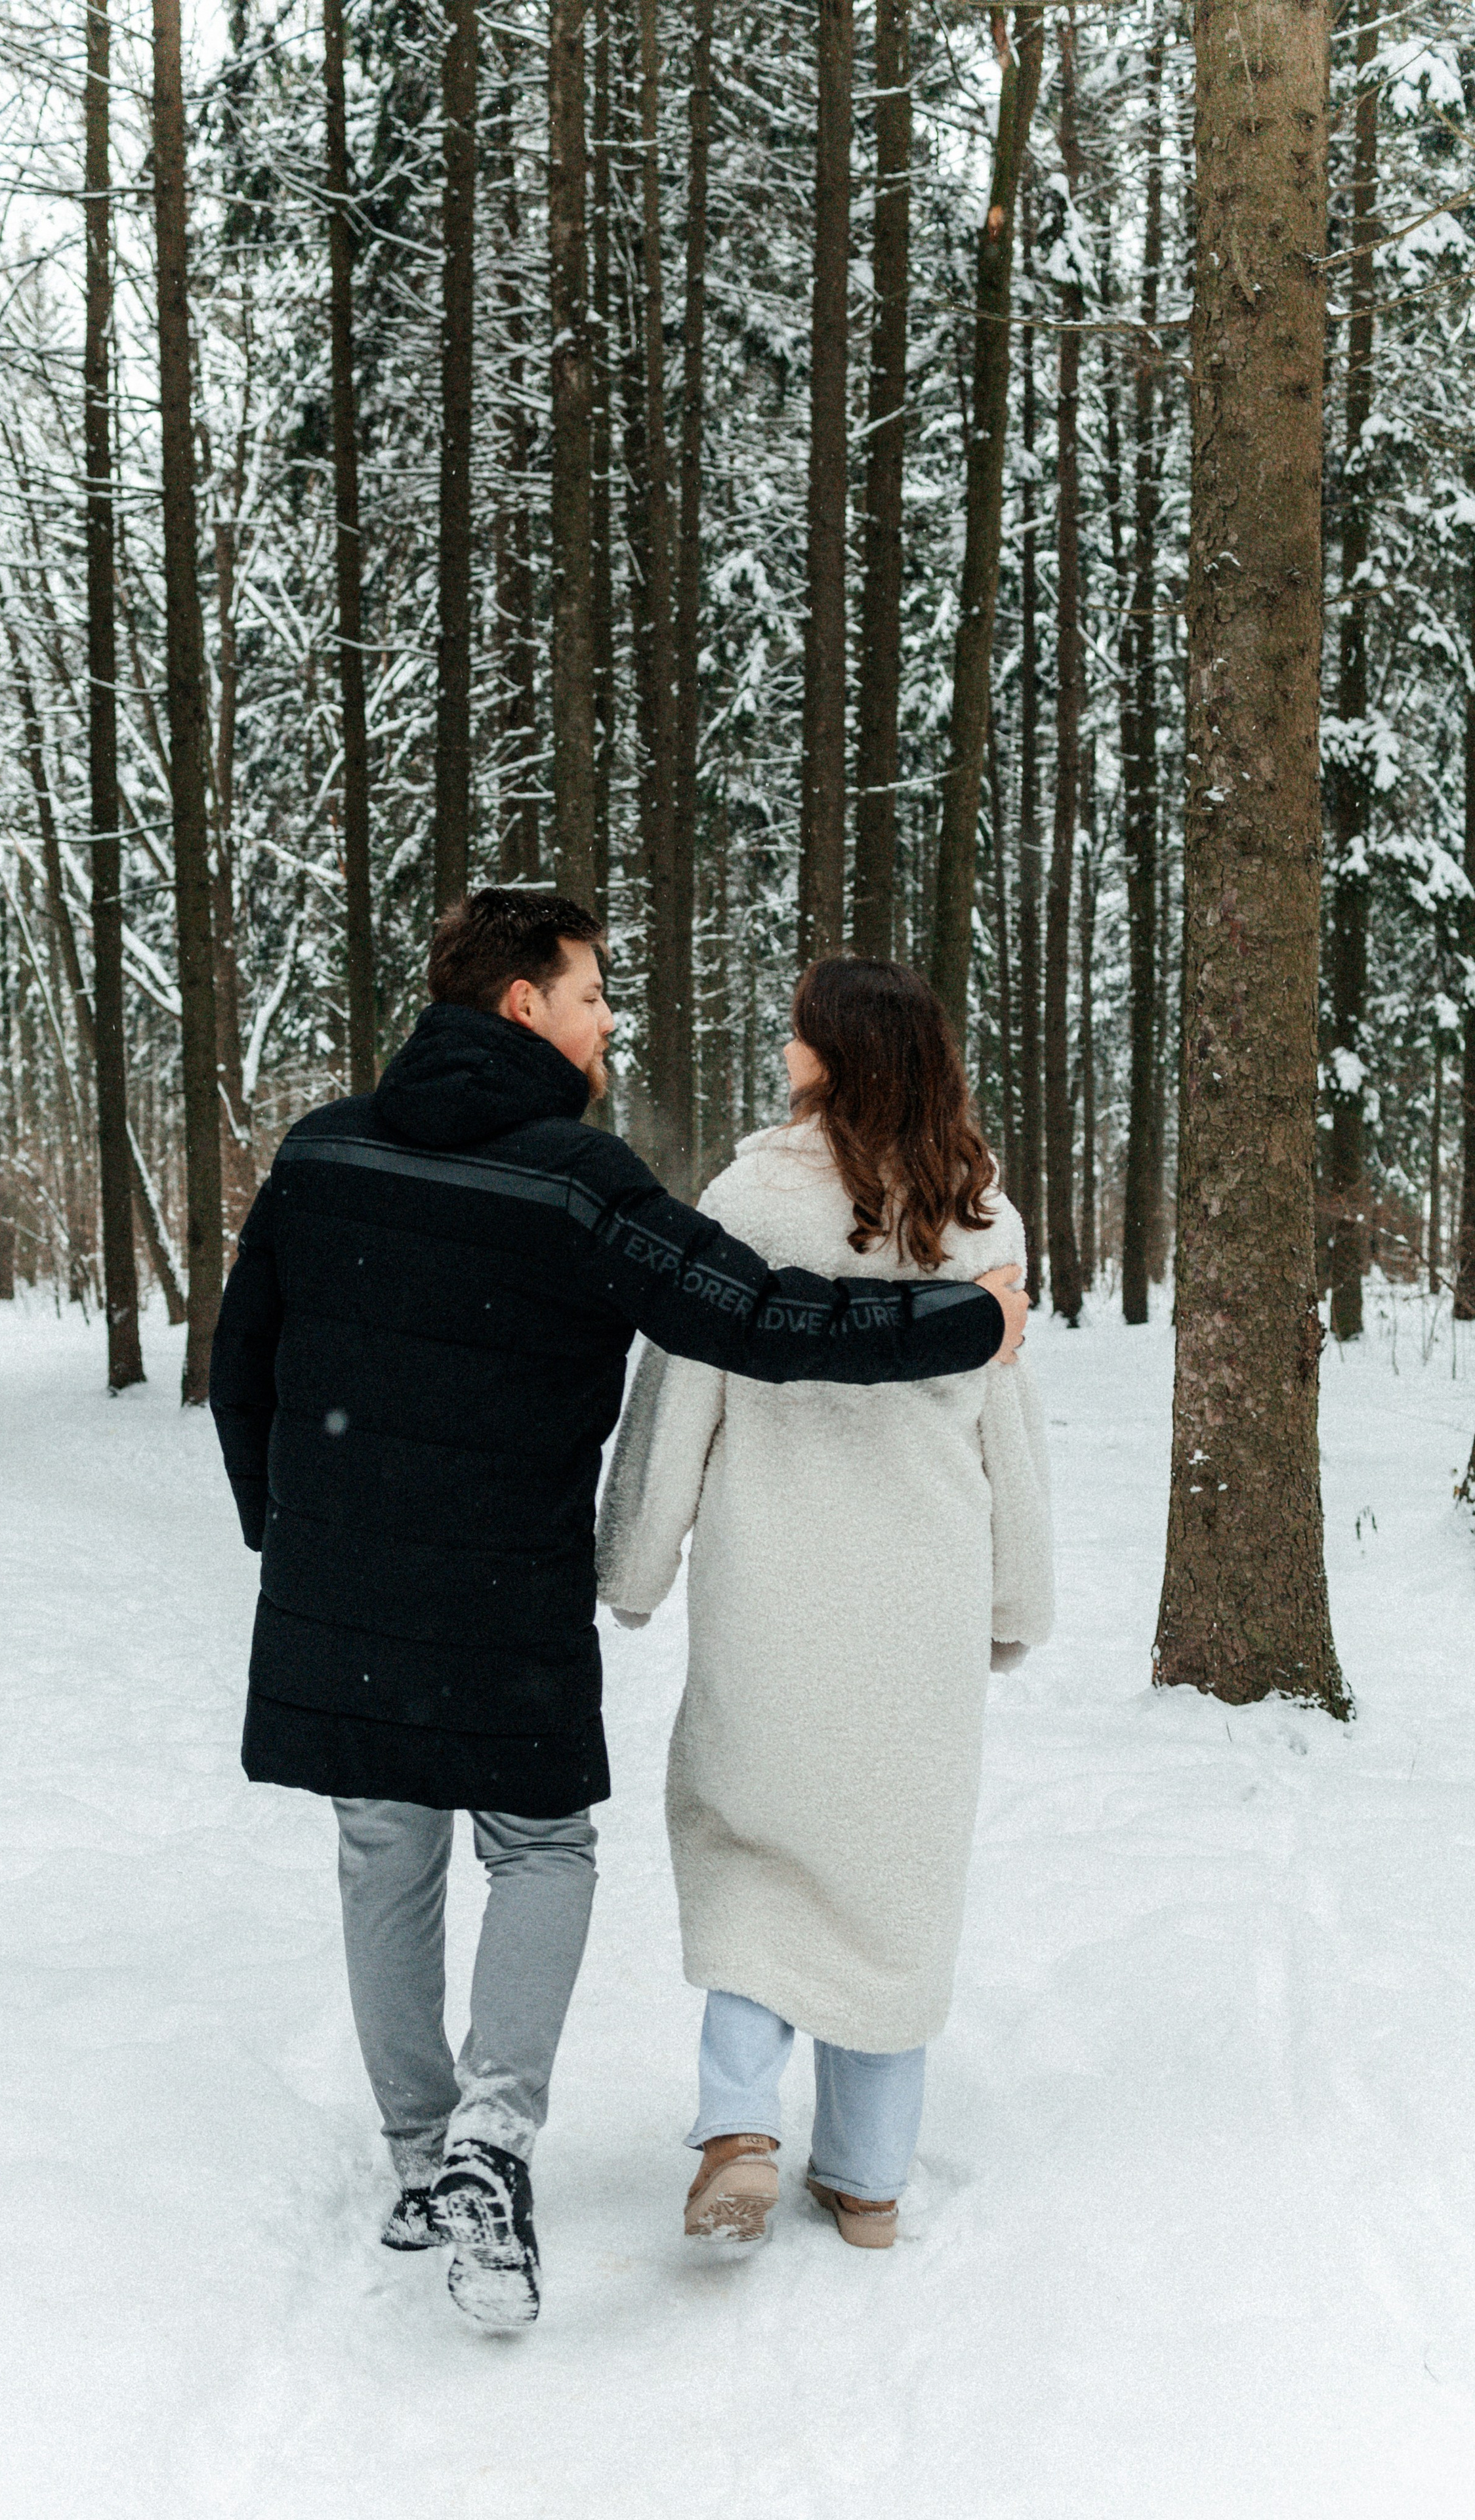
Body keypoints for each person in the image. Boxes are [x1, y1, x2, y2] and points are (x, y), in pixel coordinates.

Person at [209, 893, 1028, 2330]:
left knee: (380, 1852)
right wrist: (967, 1319)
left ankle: (420, 2155)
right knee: (538, 1849)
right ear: (522, 1004)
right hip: (502, 1594)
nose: (607, 1021)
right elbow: (758, 1319)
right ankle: (488, 2134)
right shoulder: (576, 1182)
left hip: (338, 1590)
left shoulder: (321, 1147)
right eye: (591, 994)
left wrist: (292, 1539)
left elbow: (243, 1366)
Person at [596, 955, 1054, 2252]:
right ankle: (864, 2178)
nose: (782, 1041)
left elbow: (676, 1393)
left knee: (755, 1851)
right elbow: (1004, 1437)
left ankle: (738, 2122)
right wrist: (1014, 1595)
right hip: (917, 1608)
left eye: (796, 1029)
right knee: (891, 1886)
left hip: (773, 1597)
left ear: (830, 1055)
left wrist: (633, 1559)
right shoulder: (982, 1224)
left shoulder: (747, 1203)